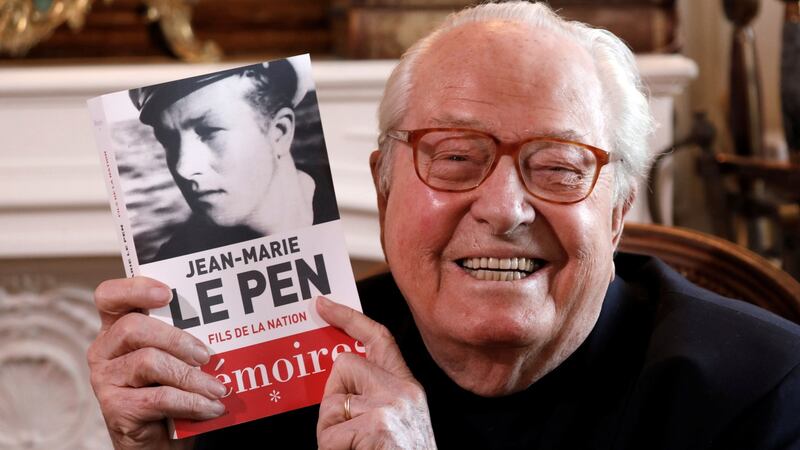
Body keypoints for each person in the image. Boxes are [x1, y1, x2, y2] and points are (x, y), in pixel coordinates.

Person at [87, 2, 800, 449]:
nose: (504, 208)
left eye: (556, 167)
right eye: (456, 158)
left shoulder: (763, 389)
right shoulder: (278, 357)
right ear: (383, 185)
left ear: (616, 214)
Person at [130, 58, 339, 262]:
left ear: (279, 132)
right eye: (167, 139)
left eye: (209, 130)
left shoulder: (347, 203)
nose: (183, 168)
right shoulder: (173, 267)